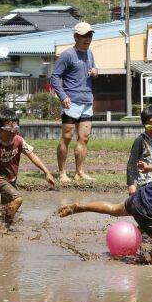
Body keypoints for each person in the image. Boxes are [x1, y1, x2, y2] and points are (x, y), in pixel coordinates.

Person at [0, 109, 55, 235]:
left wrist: (47, 172)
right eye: (9, 128)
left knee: (6, 208)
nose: (13, 131)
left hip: (12, 179)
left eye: (15, 127)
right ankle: (0, 228)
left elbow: (32, 156)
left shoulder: (19, 140)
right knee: (17, 199)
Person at [50, 22, 98, 183]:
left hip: (87, 101)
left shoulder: (90, 54)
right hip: (71, 102)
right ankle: (62, 172)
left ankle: (79, 172)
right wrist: (63, 96)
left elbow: (94, 70)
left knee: (84, 138)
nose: (87, 39)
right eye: (84, 36)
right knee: (67, 137)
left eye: (90, 35)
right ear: (76, 37)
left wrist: (95, 72)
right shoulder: (67, 55)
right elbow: (55, 77)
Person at [126, 105, 152, 227]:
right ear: (144, 125)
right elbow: (131, 163)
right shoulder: (140, 140)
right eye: (150, 126)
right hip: (143, 184)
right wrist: (131, 185)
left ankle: (150, 235)